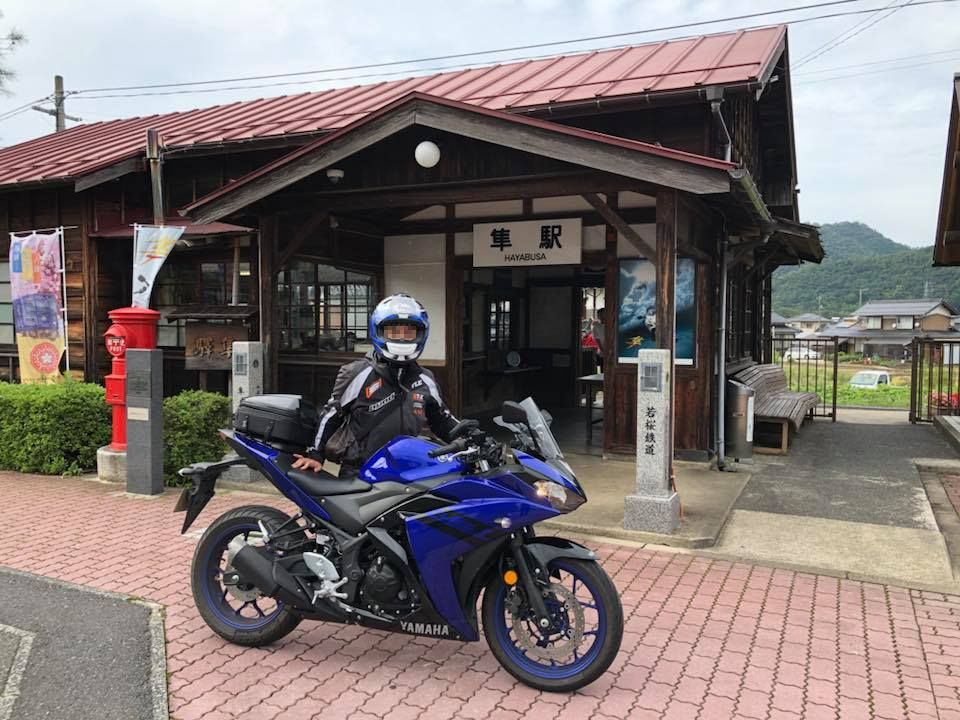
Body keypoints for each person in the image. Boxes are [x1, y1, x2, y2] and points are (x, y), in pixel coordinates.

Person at [292, 293, 460, 477]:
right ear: (378, 331)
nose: (401, 338)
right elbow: (331, 415)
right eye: (393, 332)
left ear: (421, 334)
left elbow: (441, 420)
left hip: (407, 472)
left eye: (409, 332)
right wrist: (315, 455)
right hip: (359, 472)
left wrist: (470, 436)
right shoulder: (357, 372)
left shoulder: (425, 379)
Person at [593, 307, 606, 373]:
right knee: (603, 370)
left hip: (611, 351)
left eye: (603, 314)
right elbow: (597, 339)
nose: (602, 316)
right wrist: (603, 350)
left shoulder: (611, 325)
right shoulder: (596, 326)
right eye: (600, 315)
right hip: (602, 352)